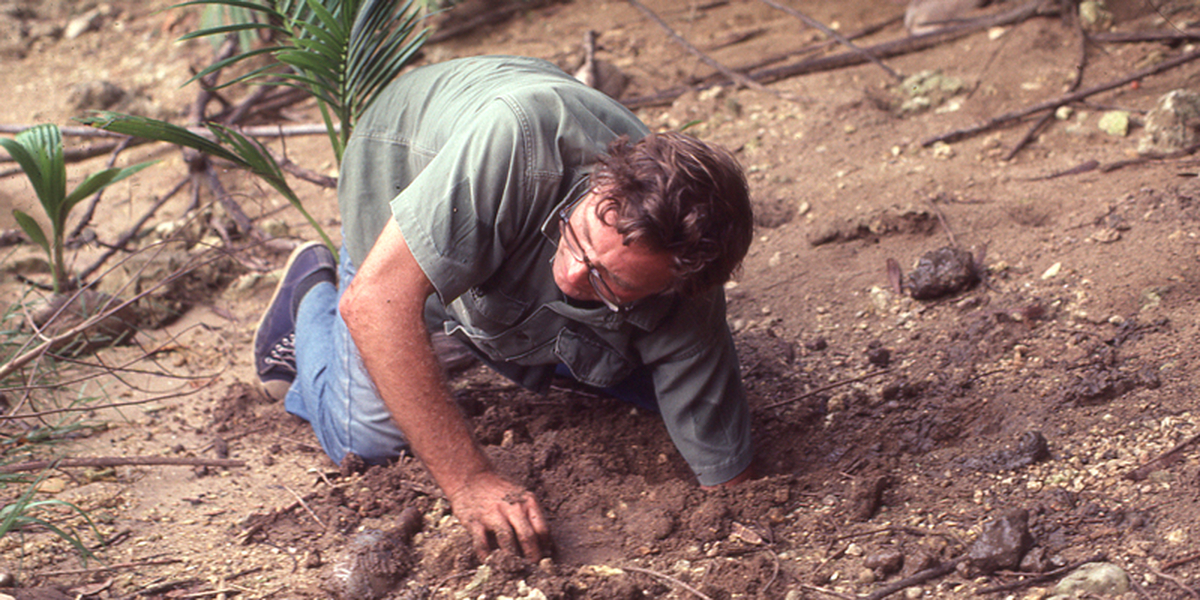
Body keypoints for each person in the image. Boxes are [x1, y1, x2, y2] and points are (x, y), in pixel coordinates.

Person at [252, 55, 755, 562]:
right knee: (366, 439)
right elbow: (374, 304)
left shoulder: (686, 270)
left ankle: (486, 332)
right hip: (399, 174)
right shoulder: (516, 146)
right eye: (576, 236)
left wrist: (738, 514)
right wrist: (469, 480)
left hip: (498, 219)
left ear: (681, 285)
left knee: (650, 388)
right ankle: (309, 294)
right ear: (603, 181)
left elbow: (721, 457)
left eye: (610, 281)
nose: (573, 275)